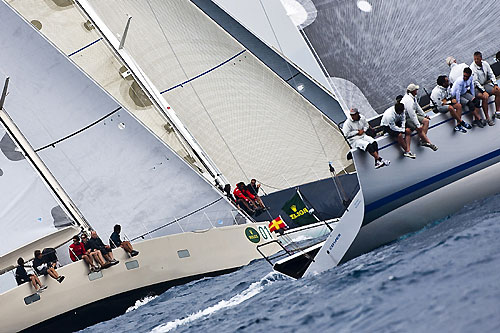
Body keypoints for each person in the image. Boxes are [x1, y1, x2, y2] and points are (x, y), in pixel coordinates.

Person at [402, 84, 438, 151]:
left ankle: (422, 140)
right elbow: (412, 115)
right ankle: (429, 143)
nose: (417, 91)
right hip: (407, 118)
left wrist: (424, 115)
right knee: (419, 128)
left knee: (426, 121)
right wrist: (418, 125)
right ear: (413, 91)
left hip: (412, 115)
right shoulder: (409, 101)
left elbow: (418, 107)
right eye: (416, 90)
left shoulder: (413, 97)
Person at [470, 51, 500, 121]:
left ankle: (498, 111)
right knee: (485, 97)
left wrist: (495, 84)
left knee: (498, 91)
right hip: (476, 88)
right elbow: (476, 82)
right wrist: (483, 91)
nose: (476, 61)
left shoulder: (485, 64)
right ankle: (487, 118)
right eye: (475, 59)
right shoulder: (472, 67)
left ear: (481, 58)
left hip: (484, 84)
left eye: (477, 59)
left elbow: (491, 74)